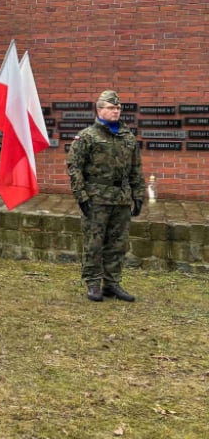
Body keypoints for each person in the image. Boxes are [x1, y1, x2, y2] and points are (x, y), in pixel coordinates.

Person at [67, 89, 143, 302]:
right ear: (99, 109)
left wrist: (138, 195)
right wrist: (81, 196)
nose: (116, 111)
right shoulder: (87, 136)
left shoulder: (127, 137)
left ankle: (112, 283)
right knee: (94, 242)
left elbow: (136, 169)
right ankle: (93, 283)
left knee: (118, 243)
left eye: (118, 108)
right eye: (111, 107)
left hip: (121, 198)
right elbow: (75, 167)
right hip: (96, 198)